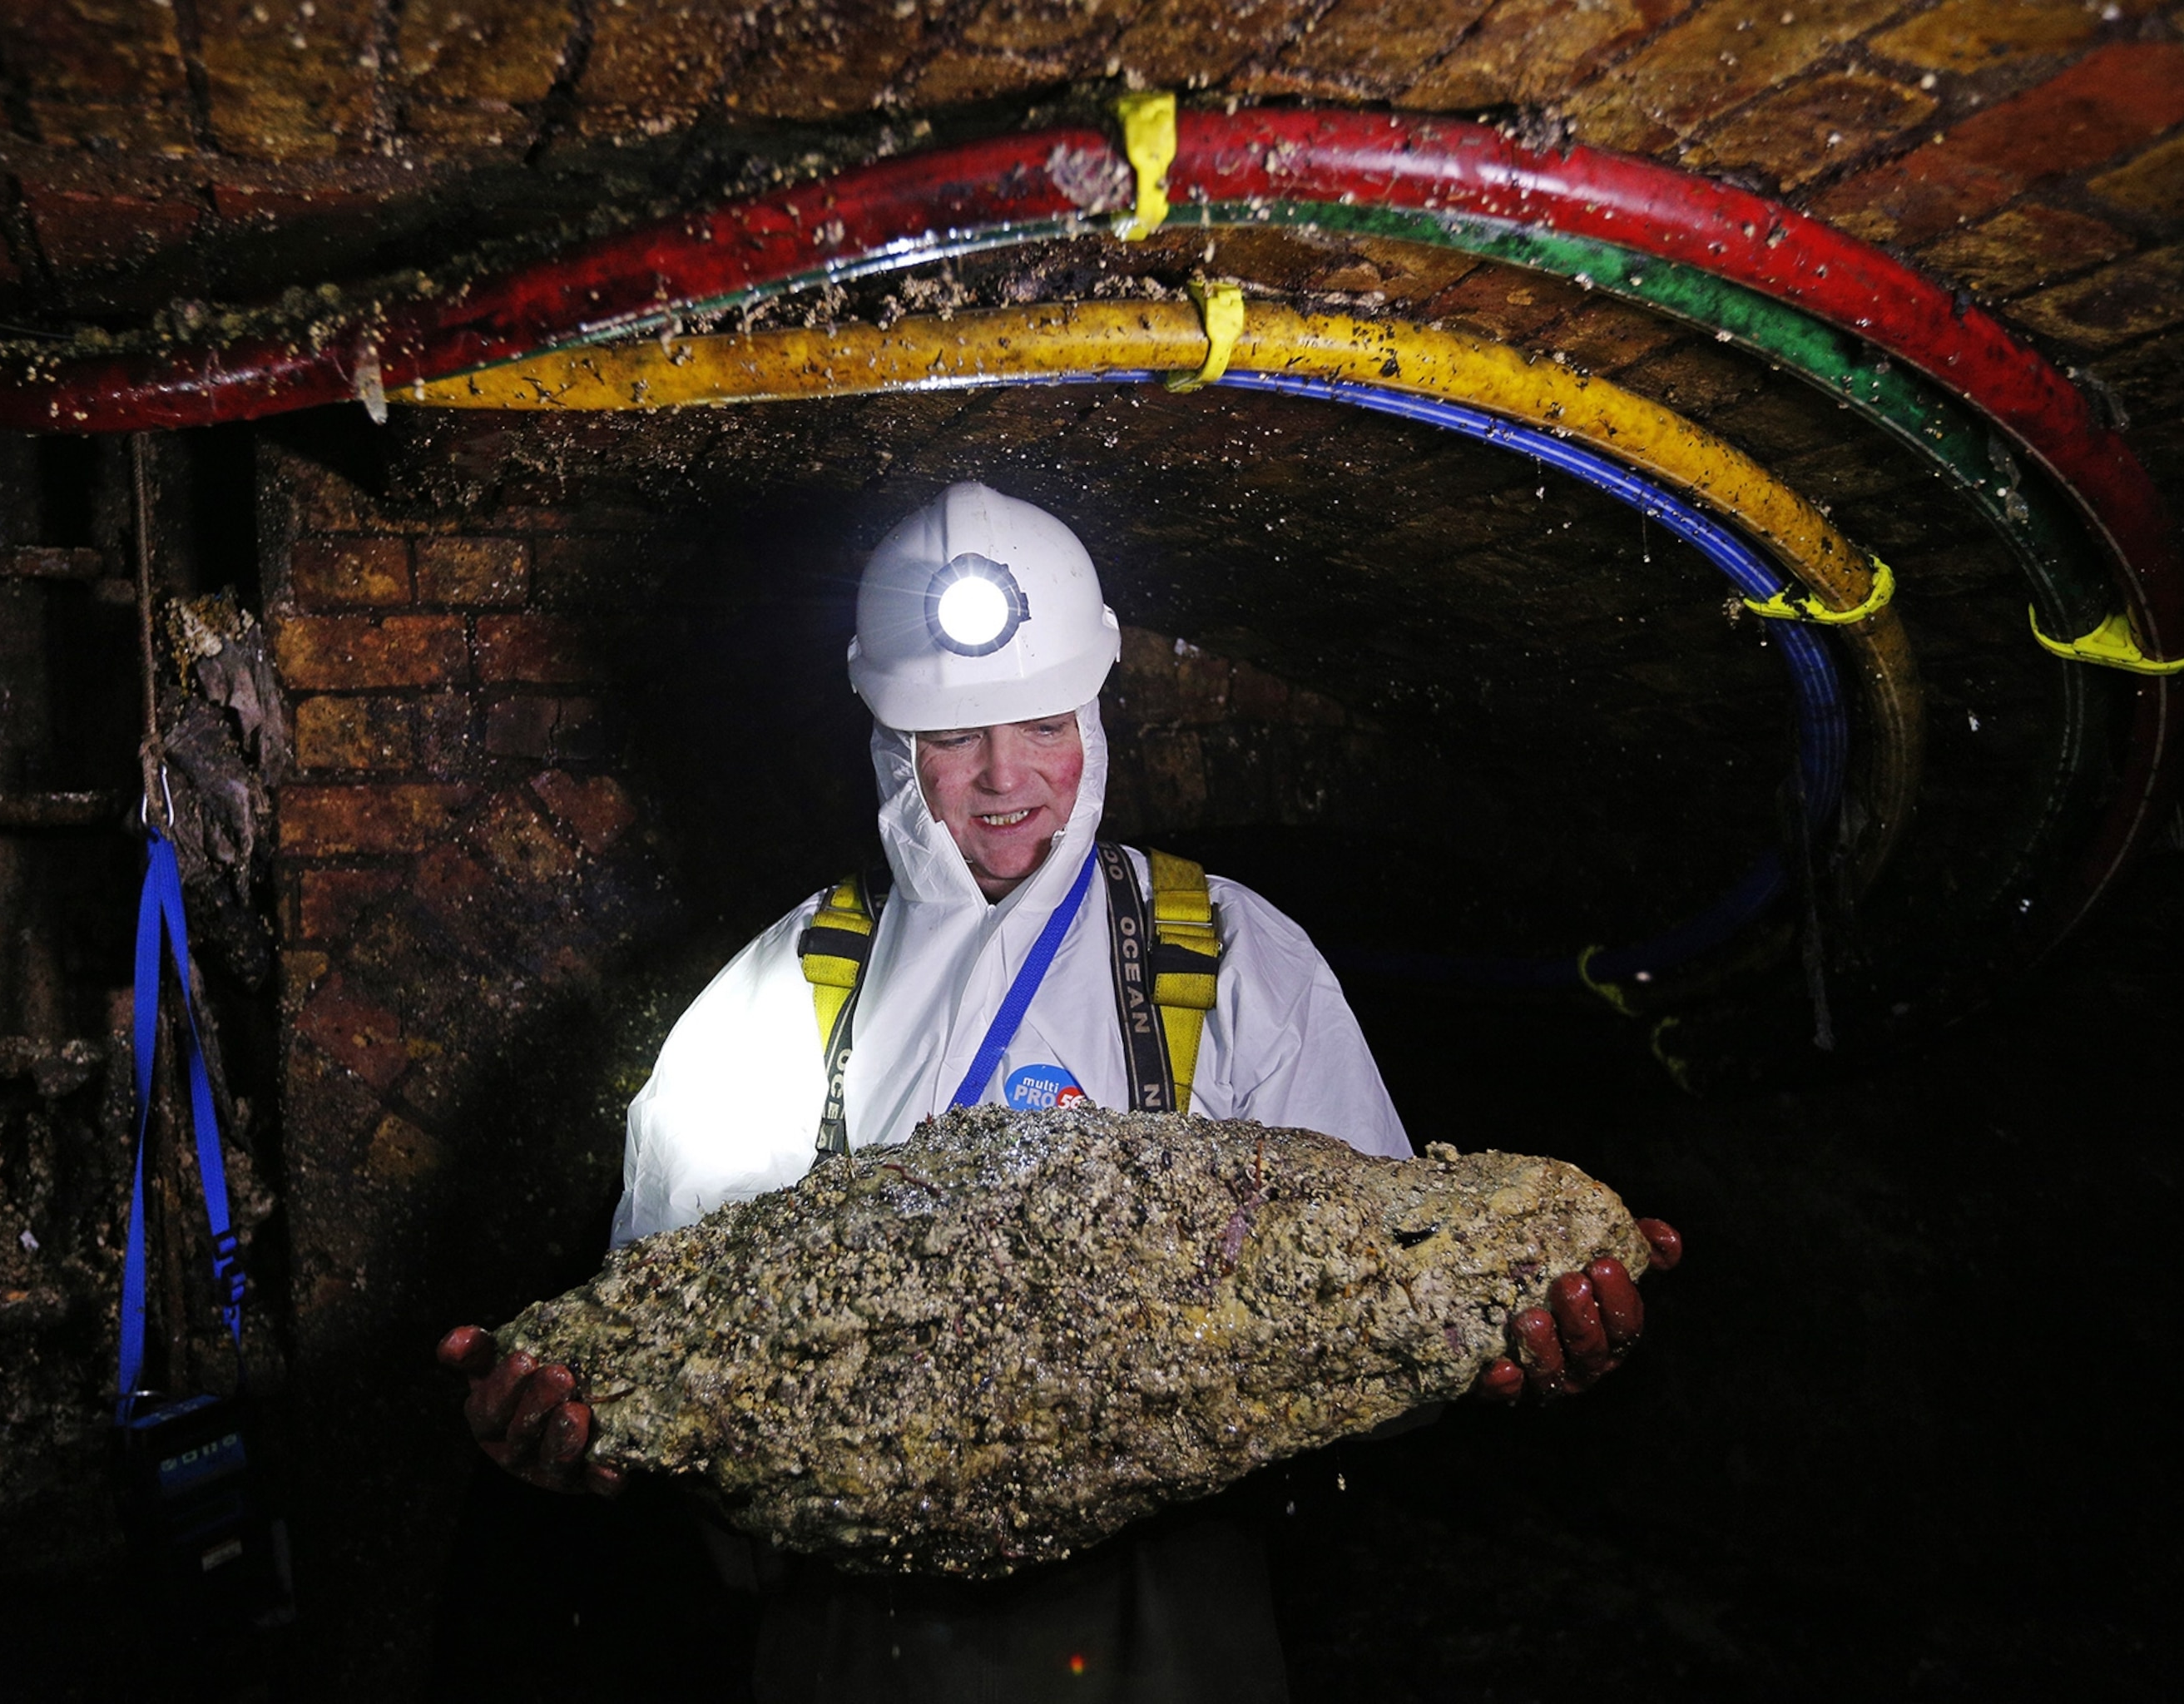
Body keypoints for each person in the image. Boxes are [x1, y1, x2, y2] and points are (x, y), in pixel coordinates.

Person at [437, 482, 1678, 1697]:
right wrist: (572, 1424)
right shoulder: (787, 991)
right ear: (890, 743)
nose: (1006, 777)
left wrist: (1514, 1336)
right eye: (956, 737)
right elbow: (665, 1354)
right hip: (860, 1637)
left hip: (1170, 1625)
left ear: (1095, 719)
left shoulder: (1229, 956)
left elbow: (1379, 1320)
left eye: (1044, 723)